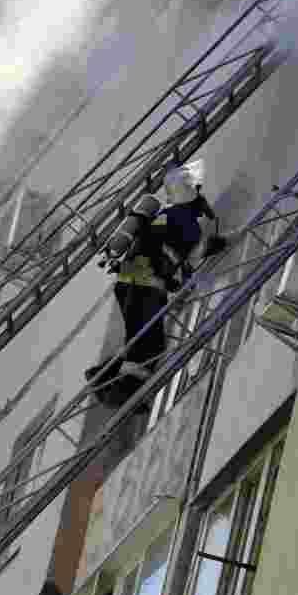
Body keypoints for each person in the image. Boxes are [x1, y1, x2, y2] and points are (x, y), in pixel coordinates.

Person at [86, 161, 226, 411]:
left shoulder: (142, 349)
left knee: (142, 339)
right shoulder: (180, 220)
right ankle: (119, 390)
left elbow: (171, 263)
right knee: (148, 342)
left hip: (142, 272)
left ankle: (104, 377)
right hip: (146, 276)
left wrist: (179, 279)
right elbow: (173, 260)